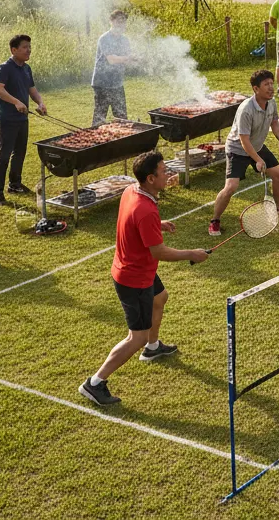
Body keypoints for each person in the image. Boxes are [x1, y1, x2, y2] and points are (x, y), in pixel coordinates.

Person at [79, 151, 208, 406]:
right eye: (163, 171)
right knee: (135, 337)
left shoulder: (132, 191)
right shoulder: (146, 209)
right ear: (150, 178)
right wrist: (192, 254)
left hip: (137, 269)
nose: (168, 174)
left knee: (160, 297)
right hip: (133, 278)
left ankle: (153, 347)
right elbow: (159, 252)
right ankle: (94, 383)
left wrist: (158, 224)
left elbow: (134, 221)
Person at [210, 69, 279, 237]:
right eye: (266, 84)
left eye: (272, 83)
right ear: (256, 89)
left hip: (256, 145)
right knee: (231, 187)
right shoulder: (246, 109)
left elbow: (274, 122)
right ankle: (215, 220)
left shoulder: (271, 102)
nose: (271, 87)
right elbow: (244, 140)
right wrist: (258, 160)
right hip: (237, 149)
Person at [0, 34, 47, 206]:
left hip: (22, 118)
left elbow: (31, 89)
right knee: (4, 155)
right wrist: (16, 102)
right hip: (7, 119)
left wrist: (40, 102)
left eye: (29, 47)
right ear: (14, 50)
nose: (28, 50)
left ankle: (14, 185)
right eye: (24, 47)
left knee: (20, 152)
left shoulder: (26, 68)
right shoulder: (5, 68)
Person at [91, 10, 134, 125]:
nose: (121, 24)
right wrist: (128, 58)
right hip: (102, 83)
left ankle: (122, 136)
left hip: (117, 83)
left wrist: (137, 59)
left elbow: (128, 60)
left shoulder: (125, 40)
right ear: (111, 21)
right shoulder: (104, 38)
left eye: (123, 21)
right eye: (118, 21)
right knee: (99, 119)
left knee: (122, 118)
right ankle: (95, 135)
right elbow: (111, 60)